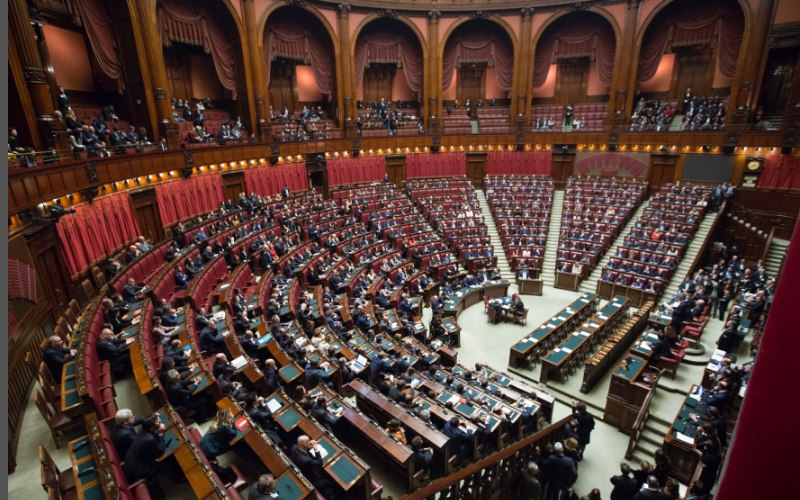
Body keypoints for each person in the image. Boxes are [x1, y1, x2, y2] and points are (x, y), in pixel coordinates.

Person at [123, 414, 165, 483]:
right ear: (152, 428)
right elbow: (161, 451)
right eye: (157, 422)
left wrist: (153, 417)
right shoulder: (149, 439)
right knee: (164, 463)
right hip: (136, 469)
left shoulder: (143, 428)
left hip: (130, 462)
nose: (159, 421)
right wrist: (160, 433)